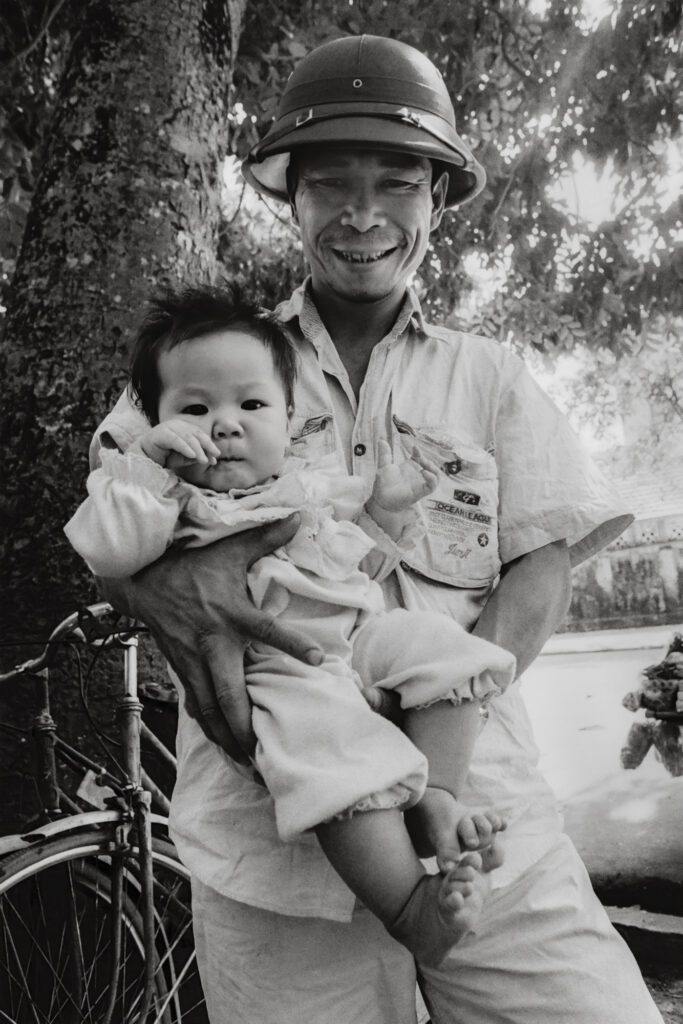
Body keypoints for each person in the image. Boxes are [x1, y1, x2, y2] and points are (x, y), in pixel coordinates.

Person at [92, 33, 663, 1024]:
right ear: (290, 198)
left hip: (481, 824)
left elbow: (538, 571)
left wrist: (427, 748)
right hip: (269, 833)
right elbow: (111, 526)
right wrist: (154, 586)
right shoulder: (204, 366)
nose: (363, 214)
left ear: (436, 198)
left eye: (396, 182)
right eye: (331, 185)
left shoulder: (489, 375)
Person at [66, 285, 517, 966]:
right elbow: (110, 550)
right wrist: (149, 466)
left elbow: (357, 557)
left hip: (355, 637)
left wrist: (387, 512)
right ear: (153, 420)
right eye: (193, 408)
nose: (225, 423)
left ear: (287, 418)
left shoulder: (304, 487)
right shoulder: (169, 501)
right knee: (333, 758)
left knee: (446, 652)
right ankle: (409, 909)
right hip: (276, 667)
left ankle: (439, 802)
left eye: (251, 405)